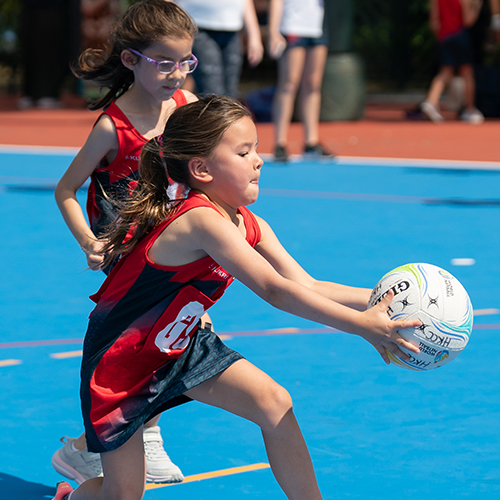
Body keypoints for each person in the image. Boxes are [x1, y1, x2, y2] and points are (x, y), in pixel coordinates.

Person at [51, 94, 421, 500]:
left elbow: (306, 284)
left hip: (180, 344)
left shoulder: (245, 221)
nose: (258, 160)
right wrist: (362, 328)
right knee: (123, 495)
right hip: (121, 359)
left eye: (257, 149)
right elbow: (273, 289)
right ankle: (72, 497)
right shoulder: (199, 220)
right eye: (244, 151)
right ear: (202, 169)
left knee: (274, 402)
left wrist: (385, 299)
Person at [53, 0, 200, 484]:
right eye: (164, 63)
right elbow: (65, 190)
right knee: (146, 349)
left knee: (170, 342)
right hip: (127, 257)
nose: (176, 73)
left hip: (176, 248)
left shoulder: (186, 107)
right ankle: (87, 448)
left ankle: (139, 436)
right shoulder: (111, 129)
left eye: (185, 61)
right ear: (131, 60)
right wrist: (87, 242)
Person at [267, 0, 334, 162]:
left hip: (316, 27)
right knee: (289, 84)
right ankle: (280, 144)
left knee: (313, 85)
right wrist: (273, 31)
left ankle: (311, 142)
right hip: (292, 26)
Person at [175, 0, 264, 97]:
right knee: (211, 92)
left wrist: (254, 35)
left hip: (233, 29)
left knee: (230, 94)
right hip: (198, 25)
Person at [420, 0, 485, 123]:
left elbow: (433, 23)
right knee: (467, 73)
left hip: (444, 37)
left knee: (444, 72)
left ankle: (431, 102)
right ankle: (470, 109)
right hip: (460, 36)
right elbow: (468, 20)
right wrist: (477, 5)